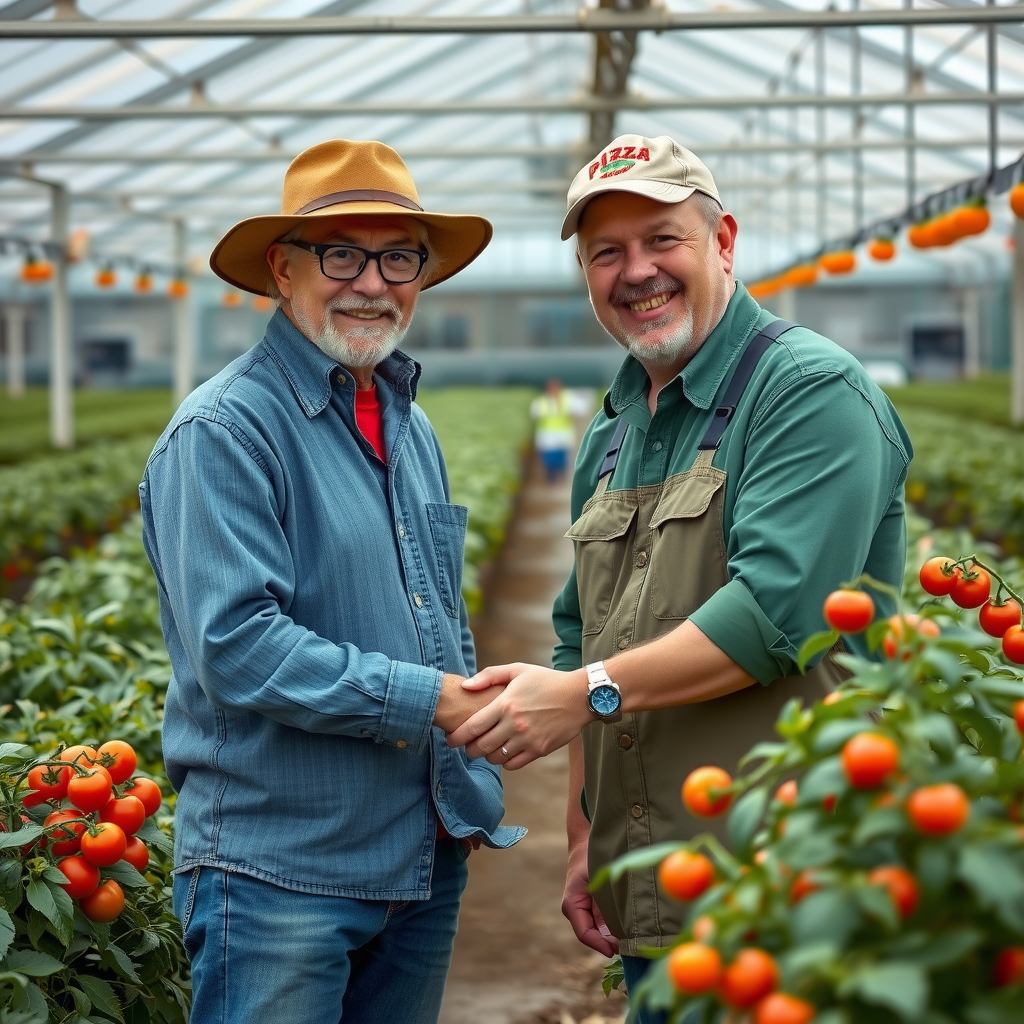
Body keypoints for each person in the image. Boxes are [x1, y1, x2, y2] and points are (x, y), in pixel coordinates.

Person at [447, 133, 912, 1019]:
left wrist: (586, 691)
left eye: (663, 239)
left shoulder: (807, 391)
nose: (637, 271)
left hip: (787, 896)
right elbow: (586, 631)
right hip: (658, 892)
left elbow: (775, 614)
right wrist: (588, 836)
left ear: (723, 241)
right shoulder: (613, 428)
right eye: (606, 253)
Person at [139, 138, 523, 1024]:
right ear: (282, 269)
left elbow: (432, 614)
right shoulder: (225, 432)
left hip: (418, 859)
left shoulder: (408, 427)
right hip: (282, 877)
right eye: (341, 253)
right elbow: (239, 647)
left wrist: (470, 717)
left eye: (398, 257)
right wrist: (434, 700)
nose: (372, 282)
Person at [531, 378, 577, 483]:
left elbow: (576, 409)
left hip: (562, 433)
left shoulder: (566, 399)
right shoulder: (541, 402)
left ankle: (561, 477)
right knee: (549, 458)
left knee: (562, 457)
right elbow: (535, 413)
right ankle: (551, 478)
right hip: (548, 435)